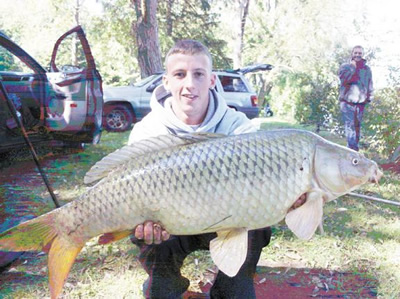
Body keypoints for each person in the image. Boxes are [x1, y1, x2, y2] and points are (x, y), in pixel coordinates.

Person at [128, 39, 272, 298]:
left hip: (225, 221)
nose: (189, 85)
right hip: (169, 225)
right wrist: (142, 223)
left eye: (198, 74)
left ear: (212, 80)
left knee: (258, 224)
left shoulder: (238, 127)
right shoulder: (147, 131)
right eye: (180, 75)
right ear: (166, 81)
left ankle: (230, 288)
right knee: (142, 232)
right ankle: (166, 282)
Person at [338, 45, 373, 151]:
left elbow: (369, 83)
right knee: (350, 126)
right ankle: (352, 150)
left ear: (362, 55)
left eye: (360, 53)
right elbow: (344, 80)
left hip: (361, 103)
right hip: (347, 102)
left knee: (357, 127)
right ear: (352, 54)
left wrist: (370, 94)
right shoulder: (345, 67)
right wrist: (353, 68)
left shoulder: (366, 69)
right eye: (356, 53)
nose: (357, 55)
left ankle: (354, 149)